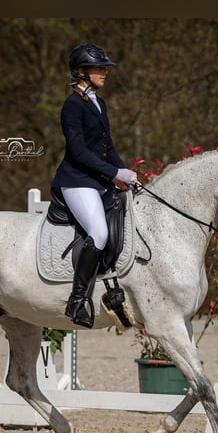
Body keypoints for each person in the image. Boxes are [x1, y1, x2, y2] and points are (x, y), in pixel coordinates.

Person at [51, 43, 138, 328]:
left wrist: (125, 171)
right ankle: (77, 301)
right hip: (77, 181)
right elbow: (79, 153)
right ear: (81, 72)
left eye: (104, 68)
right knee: (99, 233)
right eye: (99, 68)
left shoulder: (99, 103)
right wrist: (114, 172)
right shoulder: (72, 105)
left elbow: (106, 146)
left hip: (98, 180)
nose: (104, 72)